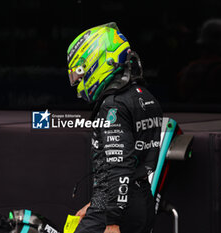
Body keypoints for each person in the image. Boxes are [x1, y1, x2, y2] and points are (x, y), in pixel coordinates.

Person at [67, 22, 163, 233]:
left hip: (118, 210)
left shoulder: (113, 105)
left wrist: (112, 221)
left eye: (80, 73)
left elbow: (120, 166)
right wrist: (96, 202)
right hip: (142, 199)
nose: (80, 82)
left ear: (97, 61)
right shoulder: (144, 96)